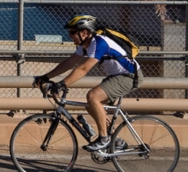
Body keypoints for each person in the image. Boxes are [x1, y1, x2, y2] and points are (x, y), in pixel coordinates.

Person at [32, 15, 141, 151]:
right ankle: (115, 140)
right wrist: (45, 76)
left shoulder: (100, 43)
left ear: (84, 33)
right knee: (92, 106)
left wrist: (62, 84)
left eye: (72, 32)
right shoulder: (85, 45)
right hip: (116, 76)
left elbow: (83, 69)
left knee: (93, 96)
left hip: (129, 76)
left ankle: (103, 139)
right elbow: (69, 62)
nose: (69, 35)